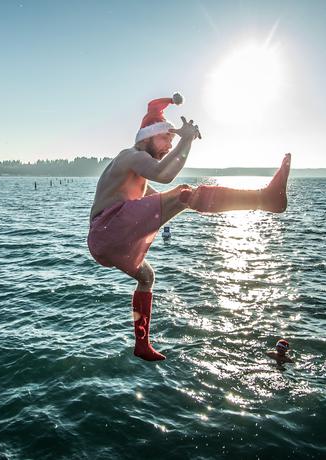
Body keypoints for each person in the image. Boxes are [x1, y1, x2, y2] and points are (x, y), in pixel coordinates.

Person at [87, 93, 292, 361]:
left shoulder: (133, 177)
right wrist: (186, 138)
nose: (167, 147)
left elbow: (156, 198)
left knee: (147, 278)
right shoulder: (129, 156)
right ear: (145, 137)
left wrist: (172, 211)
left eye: (171, 141)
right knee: (184, 192)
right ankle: (263, 199)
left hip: (105, 245)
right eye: (165, 139)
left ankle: (142, 344)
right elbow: (165, 175)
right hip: (108, 228)